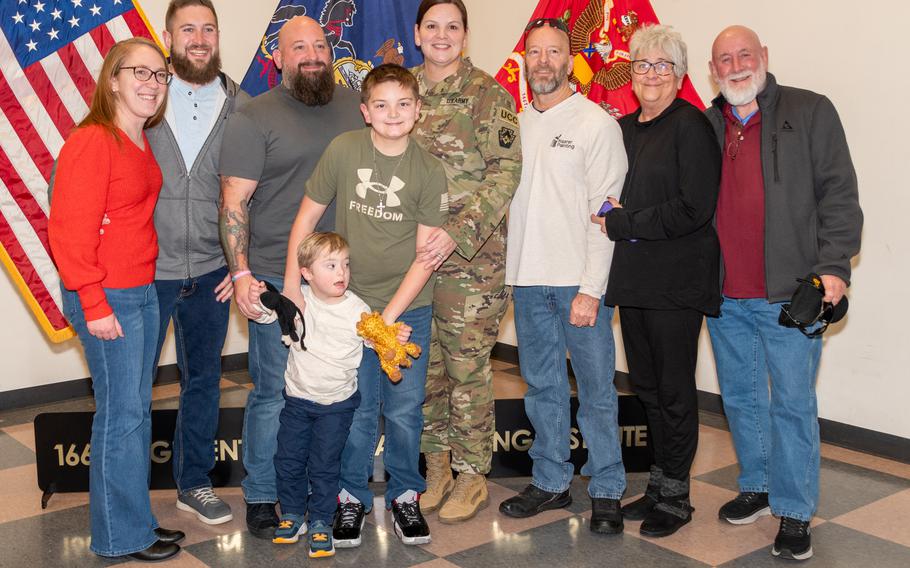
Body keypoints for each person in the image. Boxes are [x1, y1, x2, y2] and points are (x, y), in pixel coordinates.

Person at [705, 25, 862, 561]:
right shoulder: (706, 124)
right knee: (742, 399)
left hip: (792, 294)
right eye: (724, 59)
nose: (735, 65)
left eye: (744, 54)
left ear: (764, 57)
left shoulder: (811, 110)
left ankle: (794, 510)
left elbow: (840, 194)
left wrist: (834, 268)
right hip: (725, 295)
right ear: (714, 69)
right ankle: (758, 485)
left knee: (792, 404)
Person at [281, 63, 448, 547]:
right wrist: (295, 289)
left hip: (406, 307)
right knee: (353, 407)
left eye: (402, 104)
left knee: (402, 409)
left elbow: (425, 257)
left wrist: (385, 322)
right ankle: (350, 498)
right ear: (365, 111)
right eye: (381, 104)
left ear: (417, 111)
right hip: (343, 306)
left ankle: (404, 497)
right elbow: (306, 219)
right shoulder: (344, 150)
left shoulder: (429, 170)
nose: (392, 113)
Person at [218, 15, 363, 539]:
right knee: (276, 393)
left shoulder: (360, 106)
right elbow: (233, 202)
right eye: (296, 46)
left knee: (345, 392)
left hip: (351, 281)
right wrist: (241, 275)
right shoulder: (253, 117)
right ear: (276, 58)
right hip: (282, 288)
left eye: (320, 44)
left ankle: (339, 491)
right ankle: (263, 493)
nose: (311, 54)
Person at [48, 38, 184, 562]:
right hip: (108, 295)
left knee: (136, 413)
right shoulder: (93, 141)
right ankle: (118, 538)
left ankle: (138, 522)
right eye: (140, 73)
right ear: (113, 80)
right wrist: (94, 302)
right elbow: (68, 232)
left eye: (160, 75)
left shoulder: (137, 138)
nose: (152, 84)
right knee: (121, 416)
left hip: (140, 289)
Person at [499, 19, 628, 536]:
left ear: (571, 60)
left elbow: (606, 215)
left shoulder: (597, 125)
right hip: (528, 283)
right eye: (535, 52)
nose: (544, 61)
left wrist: (592, 289)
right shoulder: (514, 125)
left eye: (554, 52)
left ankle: (607, 488)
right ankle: (551, 481)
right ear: (525, 60)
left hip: (579, 284)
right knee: (543, 388)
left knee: (597, 391)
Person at [593, 24, 721, 538]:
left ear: (679, 75)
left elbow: (694, 208)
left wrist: (625, 221)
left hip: (677, 283)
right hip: (635, 281)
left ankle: (678, 497)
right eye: (642, 64)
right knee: (645, 387)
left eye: (661, 66)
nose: (650, 74)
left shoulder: (691, 127)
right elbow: (603, 193)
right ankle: (660, 484)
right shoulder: (623, 129)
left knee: (672, 390)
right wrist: (608, 211)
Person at [409, 0, 522, 523]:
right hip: (411, 261)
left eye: (452, 27)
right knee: (424, 367)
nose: (442, 35)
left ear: (465, 37)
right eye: (432, 26)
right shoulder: (402, 92)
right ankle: (437, 470)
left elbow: (505, 173)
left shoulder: (487, 95)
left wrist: (457, 233)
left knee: (465, 368)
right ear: (416, 34)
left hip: (470, 261)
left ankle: (473, 475)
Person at [146, 0, 248, 526]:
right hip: (147, 271)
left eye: (208, 28)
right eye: (189, 29)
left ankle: (194, 484)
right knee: (134, 386)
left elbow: (252, 193)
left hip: (212, 271)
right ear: (169, 36)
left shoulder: (241, 105)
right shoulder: (144, 96)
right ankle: (126, 491)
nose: (200, 38)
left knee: (204, 380)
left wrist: (240, 265)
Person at [251, 233, 370, 558]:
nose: (341, 272)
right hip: (297, 403)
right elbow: (264, 314)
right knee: (288, 460)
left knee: (324, 465)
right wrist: (258, 297)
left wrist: (392, 336)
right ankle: (291, 513)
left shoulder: (357, 308)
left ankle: (319, 519)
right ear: (306, 272)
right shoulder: (297, 301)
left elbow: (377, 339)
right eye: (330, 265)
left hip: (337, 407)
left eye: (345, 264)